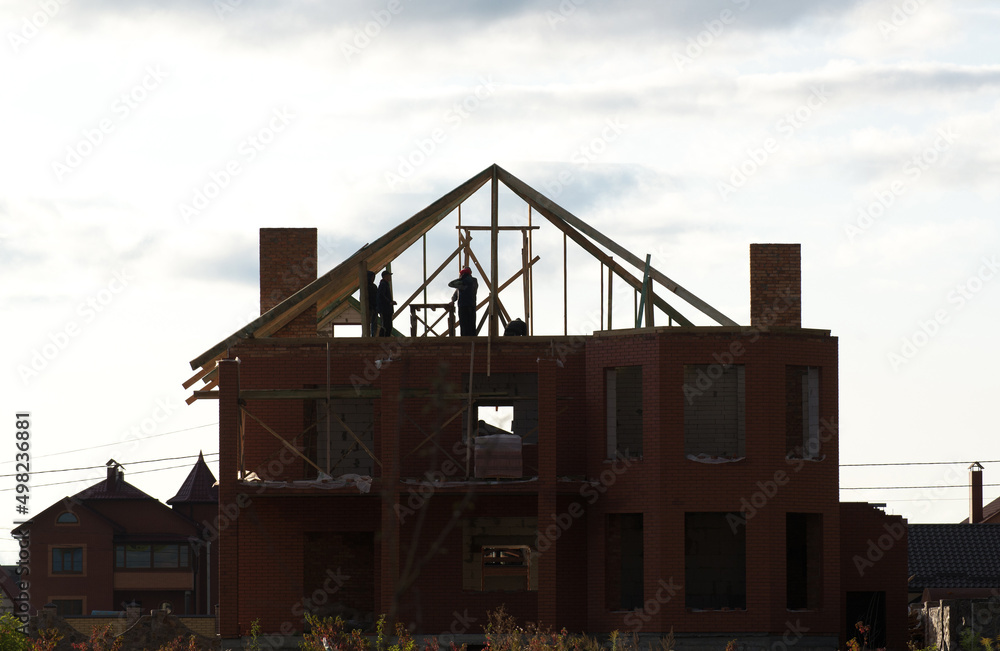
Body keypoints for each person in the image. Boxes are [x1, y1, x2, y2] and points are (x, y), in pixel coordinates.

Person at [448, 267, 478, 336]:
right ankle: (473, 338)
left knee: (464, 324)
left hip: (462, 306)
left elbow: (451, 284)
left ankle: (465, 338)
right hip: (471, 305)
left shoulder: (461, 283)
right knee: (471, 324)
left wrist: (452, 301)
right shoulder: (474, 281)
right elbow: (457, 292)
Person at [377, 269, 396, 336]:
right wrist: (389, 302)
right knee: (386, 326)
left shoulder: (384, 284)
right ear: (385, 276)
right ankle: (383, 339)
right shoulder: (383, 285)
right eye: (388, 276)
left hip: (386, 309)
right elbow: (382, 295)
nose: (390, 277)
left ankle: (384, 339)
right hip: (385, 309)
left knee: (387, 325)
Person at [366, 270, 378, 337]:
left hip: (374, 307)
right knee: (368, 323)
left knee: (374, 323)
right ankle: (366, 336)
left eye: (374, 277)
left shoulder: (374, 286)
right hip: (369, 308)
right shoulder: (366, 286)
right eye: (372, 277)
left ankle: (373, 336)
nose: (373, 279)